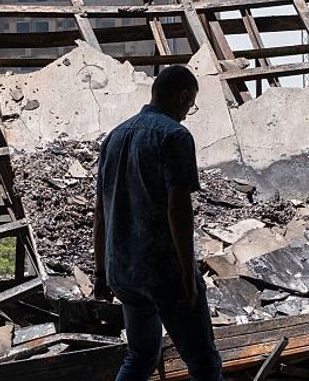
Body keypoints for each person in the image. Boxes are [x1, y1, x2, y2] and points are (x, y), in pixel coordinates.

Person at [92, 65, 222, 381]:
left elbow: (101, 212)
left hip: (123, 272)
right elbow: (179, 211)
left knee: (140, 357)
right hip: (164, 273)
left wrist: (100, 271)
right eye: (190, 105)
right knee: (204, 363)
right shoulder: (175, 136)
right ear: (184, 96)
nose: (189, 113)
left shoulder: (114, 137)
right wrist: (188, 278)